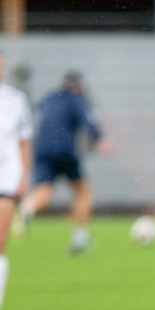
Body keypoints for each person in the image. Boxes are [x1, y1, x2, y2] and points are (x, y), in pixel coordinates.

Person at [19, 71, 112, 255]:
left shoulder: (49, 98)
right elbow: (88, 120)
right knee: (83, 190)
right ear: (79, 86)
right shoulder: (76, 99)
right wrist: (100, 138)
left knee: (44, 189)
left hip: (41, 149)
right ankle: (80, 239)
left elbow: (36, 112)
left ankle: (26, 208)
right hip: (64, 149)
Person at [0, 50, 33, 310]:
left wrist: (23, 176)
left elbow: (24, 140)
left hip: (5, 178)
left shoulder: (15, 100)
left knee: (0, 244)